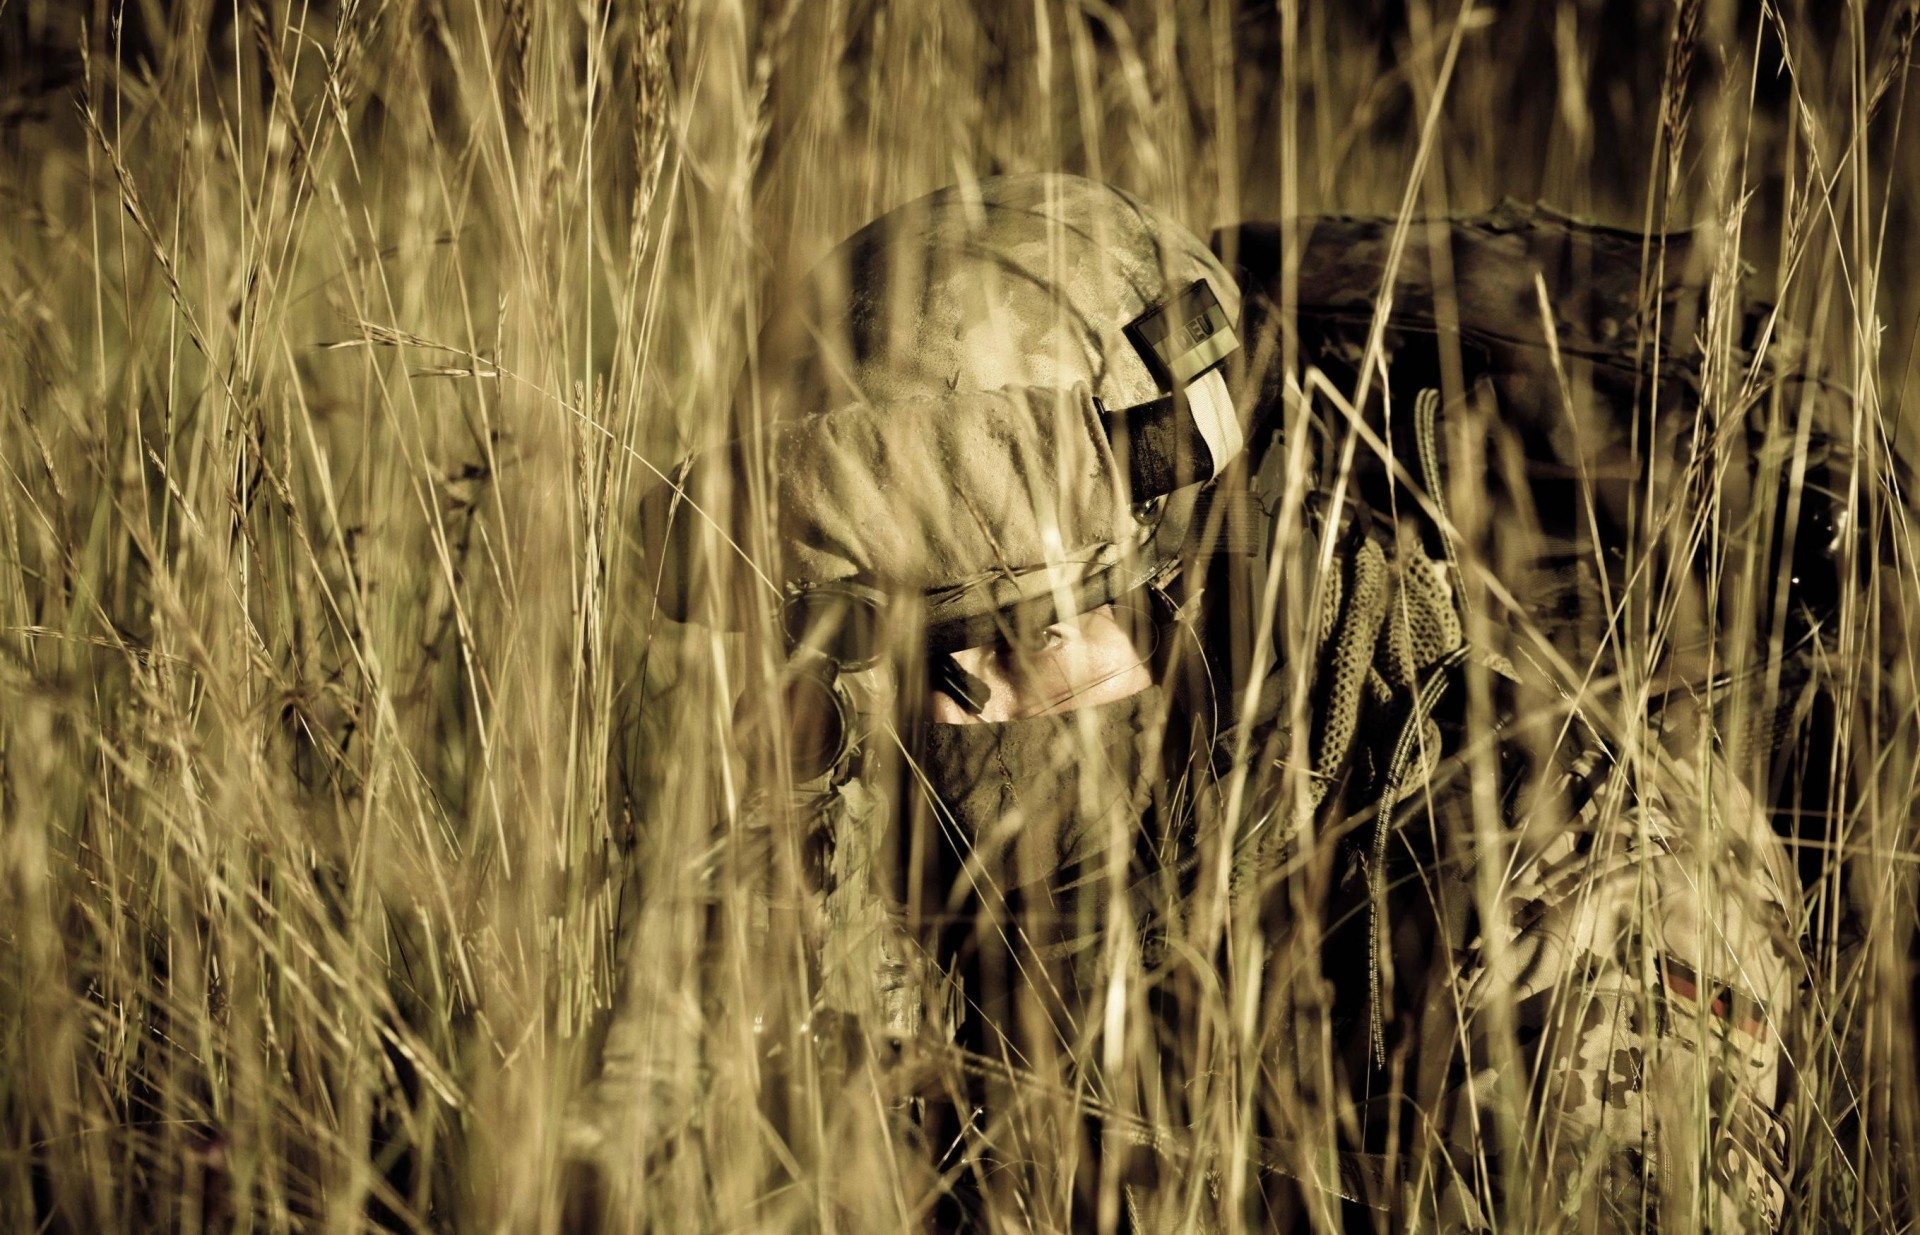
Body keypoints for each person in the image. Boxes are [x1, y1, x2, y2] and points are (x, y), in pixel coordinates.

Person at [587, 175, 1803, 1233]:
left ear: (1203, 589)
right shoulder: (891, 770)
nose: (927, 724)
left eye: (982, 654)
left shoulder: (1593, 896)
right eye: (876, 658)